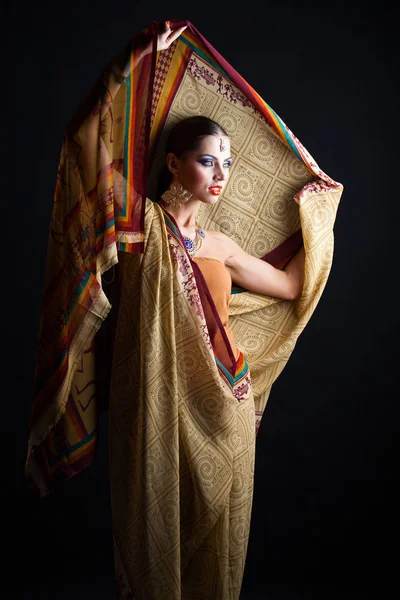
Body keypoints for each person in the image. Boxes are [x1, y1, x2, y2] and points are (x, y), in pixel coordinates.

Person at [26, 19, 343, 600]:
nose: (220, 173)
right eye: (206, 161)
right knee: (154, 534)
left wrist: (318, 206)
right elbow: (85, 136)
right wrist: (130, 57)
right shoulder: (139, 225)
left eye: (226, 163)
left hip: (227, 405)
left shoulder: (223, 247)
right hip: (154, 403)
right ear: (173, 165)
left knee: (219, 545)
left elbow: (293, 284)